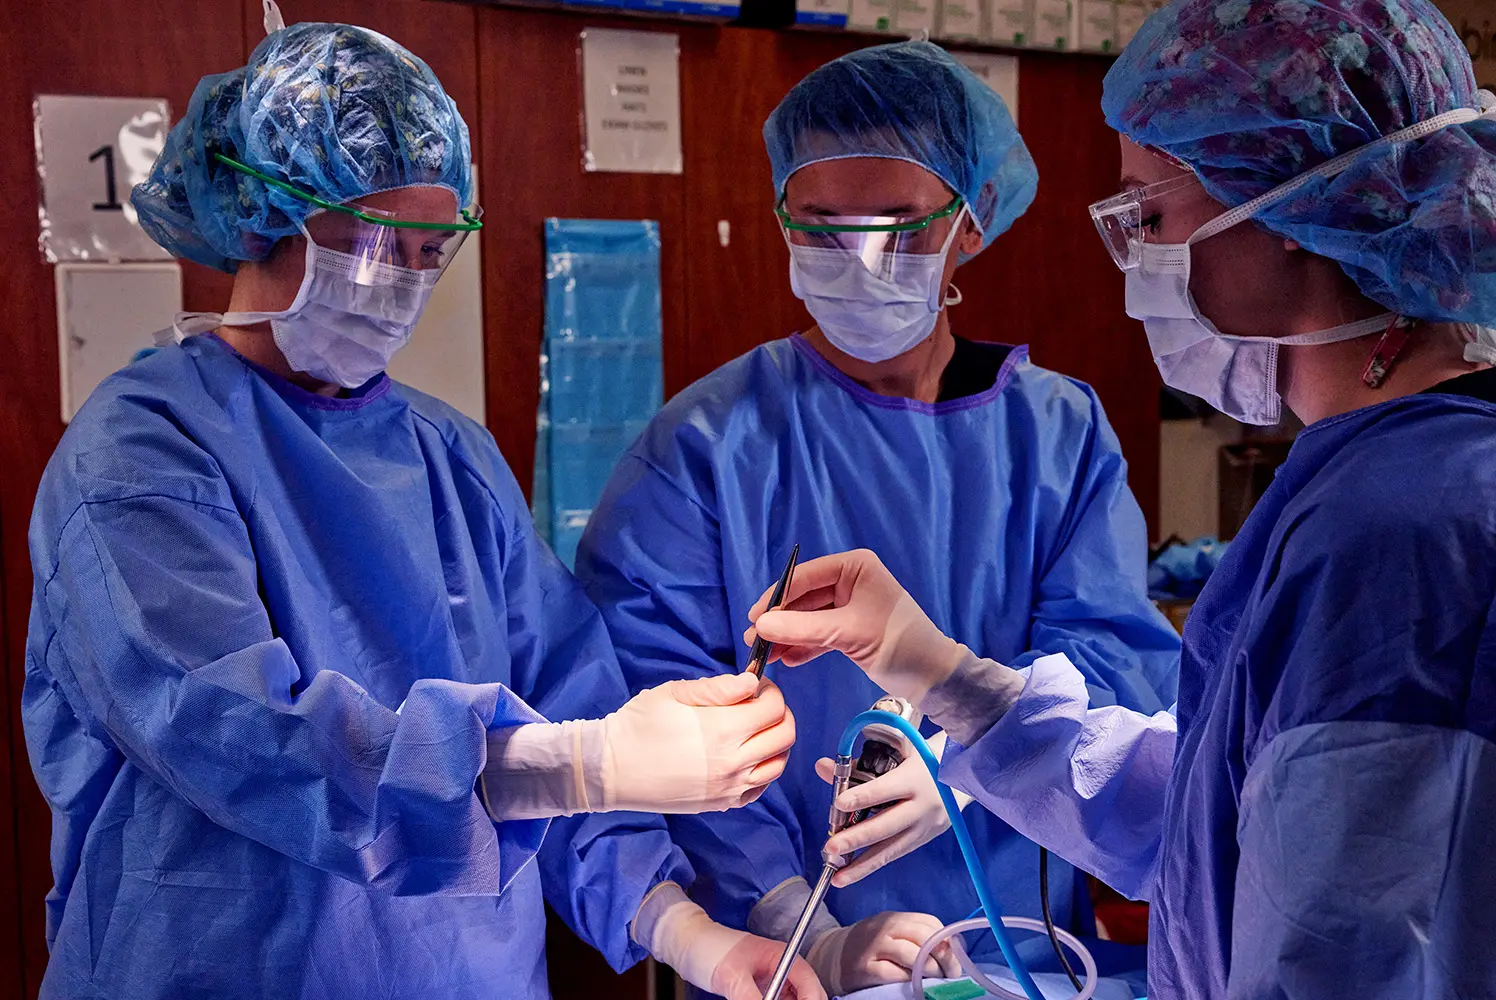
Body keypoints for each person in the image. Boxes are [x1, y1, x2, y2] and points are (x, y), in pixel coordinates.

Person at [21, 13, 823, 1000]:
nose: (401, 280)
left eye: (429, 249)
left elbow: (567, 699)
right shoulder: (141, 456)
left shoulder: (451, 457)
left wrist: (684, 927)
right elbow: (251, 742)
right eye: (375, 240)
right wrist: (583, 761)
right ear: (268, 211)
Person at [745, 1, 1496, 997]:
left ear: (1283, 212)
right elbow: (1217, 821)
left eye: (1146, 216)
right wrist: (939, 675)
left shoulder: (1395, 531)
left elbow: (1343, 943)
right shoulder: (1376, 477)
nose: (1136, 258)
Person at [575, 40, 1179, 997]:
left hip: (1023, 955)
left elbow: (1120, 669)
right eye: (822, 228)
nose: (858, 260)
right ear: (781, 218)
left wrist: (970, 753)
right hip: (778, 960)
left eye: (898, 225)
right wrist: (793, 930)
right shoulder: (706, 448)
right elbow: (643, 713)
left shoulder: (1057, 436)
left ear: (971, 223)